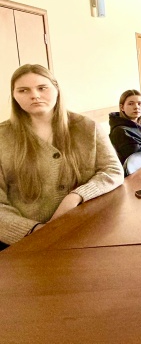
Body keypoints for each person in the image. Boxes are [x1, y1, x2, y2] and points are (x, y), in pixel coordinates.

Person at [0, 65, 123, 247]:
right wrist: (33, 231)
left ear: (56, 89)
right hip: (27, 244)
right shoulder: (3, 137)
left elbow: (112, 170)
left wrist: (76, 196)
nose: (34, 95)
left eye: (42, 88)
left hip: (86, 231)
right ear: (14, 95)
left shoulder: (87, 127)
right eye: (23, 90)